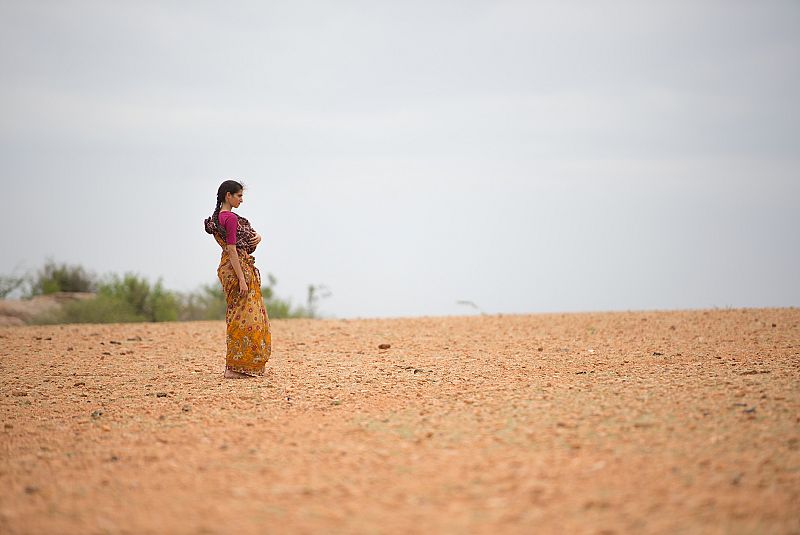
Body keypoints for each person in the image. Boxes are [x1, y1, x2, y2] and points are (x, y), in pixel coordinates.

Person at [204, 180, 272, 378]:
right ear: (228, 196)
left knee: (237, 315)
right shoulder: (231, 219)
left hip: (227, 268)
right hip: (237, 269)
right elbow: (233, 250)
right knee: (248, 318)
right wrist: (242, 279)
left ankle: (238, 366)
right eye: (239, 196)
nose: (242, 200)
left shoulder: (217, 218)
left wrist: (257, 237)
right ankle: (236, 368)